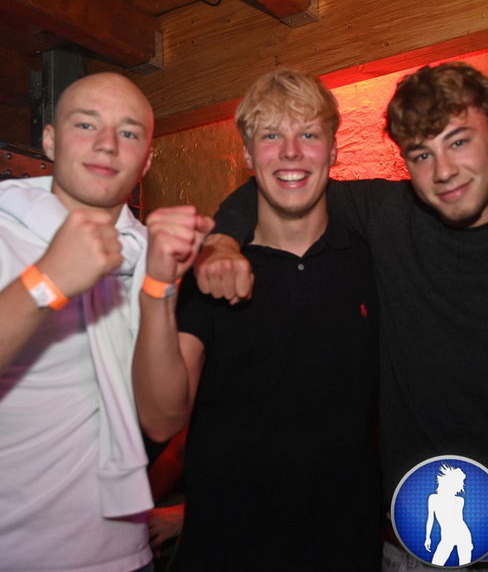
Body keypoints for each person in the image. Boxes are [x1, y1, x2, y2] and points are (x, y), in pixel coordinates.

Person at [200, 63, 488, 570]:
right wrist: (223, 241)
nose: (444, 170)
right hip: (416, 543)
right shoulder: (387, 215)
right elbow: (280, 181)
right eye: (421, 154)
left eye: (459, 142)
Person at [132, 70, 382, 571]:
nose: (290, 152)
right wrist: (159, 287)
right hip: (226, 552)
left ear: (334, 150)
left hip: (347, 550)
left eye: (308, 134)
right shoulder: (213, 271)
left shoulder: (371, 260)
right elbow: (161, 419)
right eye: (271, 136)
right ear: (248, 155)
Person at [0, 72, 210, 572]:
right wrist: (48, 279)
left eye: (129, 132)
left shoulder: (149, 252)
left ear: (146, 160)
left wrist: (158, 287)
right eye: (86, 124)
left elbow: (162, 420)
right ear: (50, 140)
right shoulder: (5, 231)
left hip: (121, 554)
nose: (108, 144)